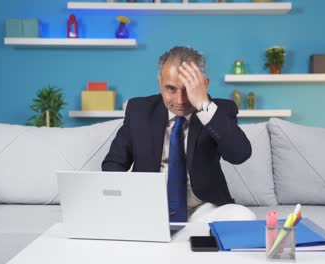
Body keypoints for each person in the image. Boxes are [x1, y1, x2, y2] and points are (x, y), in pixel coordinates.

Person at [102, 46, 256, 222]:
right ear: (160, 83)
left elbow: (240, 154)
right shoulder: (139, 111)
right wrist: (125, 200)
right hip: (148, 207)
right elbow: (113, 164)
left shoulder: (220, 111)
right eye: (171, 89)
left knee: (244, 217)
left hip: (202, 209)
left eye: (187, 89)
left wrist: (203, 105)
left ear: (204, 84)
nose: (180, 100)